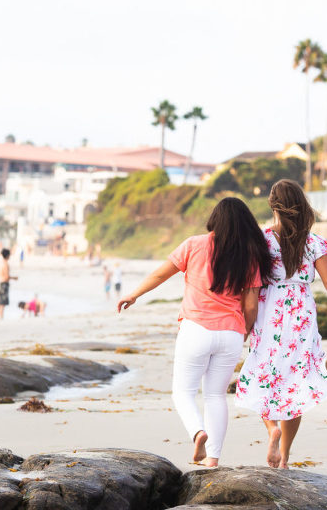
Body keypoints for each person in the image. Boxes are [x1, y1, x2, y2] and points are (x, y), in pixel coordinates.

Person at [118, 197, 272, 467]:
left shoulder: (194, 244)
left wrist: (134, 294)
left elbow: (159, 275)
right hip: (231, 333)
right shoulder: (249, 256)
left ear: (215, 219)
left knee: (183, 392)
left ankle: (198, 432)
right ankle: (213, 458)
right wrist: (244, 331)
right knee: (215, 395)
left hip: (196, 329)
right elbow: (250, 305)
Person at [235, 179, 327, 470]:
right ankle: (285, 455)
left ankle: (271, 429)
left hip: (270, 315)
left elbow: (251, 288)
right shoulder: (314, 242)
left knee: (261, 374)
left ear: (273, 205)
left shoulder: (262, 240)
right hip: (301, 317)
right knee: (295, 384)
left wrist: (242, 324)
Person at [0, 248, 17, 320]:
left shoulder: (0, 263)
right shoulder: (6, 264)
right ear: (7, 255)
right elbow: (7, 277)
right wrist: (14, 278)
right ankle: (1, 318)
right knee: (2, 303)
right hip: (4, 284)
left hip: (0, 283)